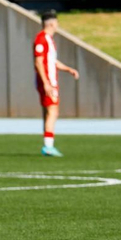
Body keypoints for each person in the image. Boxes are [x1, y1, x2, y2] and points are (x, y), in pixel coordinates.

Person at [33, 10, 80, 156]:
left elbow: (51, 62)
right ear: (52, 23)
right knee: (53, 111)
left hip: (50, 81)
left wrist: (68, 69)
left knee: (49, 112)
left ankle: (47, 144)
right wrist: (46, 82)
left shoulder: (49, 40)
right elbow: (38, 62)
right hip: (48, 81)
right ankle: (48, 146)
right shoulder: (41, 39)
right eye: (57, 23)